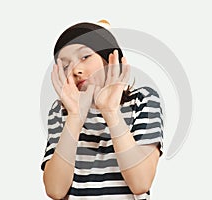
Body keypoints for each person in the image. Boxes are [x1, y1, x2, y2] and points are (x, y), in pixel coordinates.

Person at [41, 20, 164, 200]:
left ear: (108, 59)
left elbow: (141, 183)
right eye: (66, 66)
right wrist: (75, 116)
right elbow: (55, 190)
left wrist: (111, 111)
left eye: (85, 57)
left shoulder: (143, 99)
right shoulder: (60, 112)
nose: (76, 70)